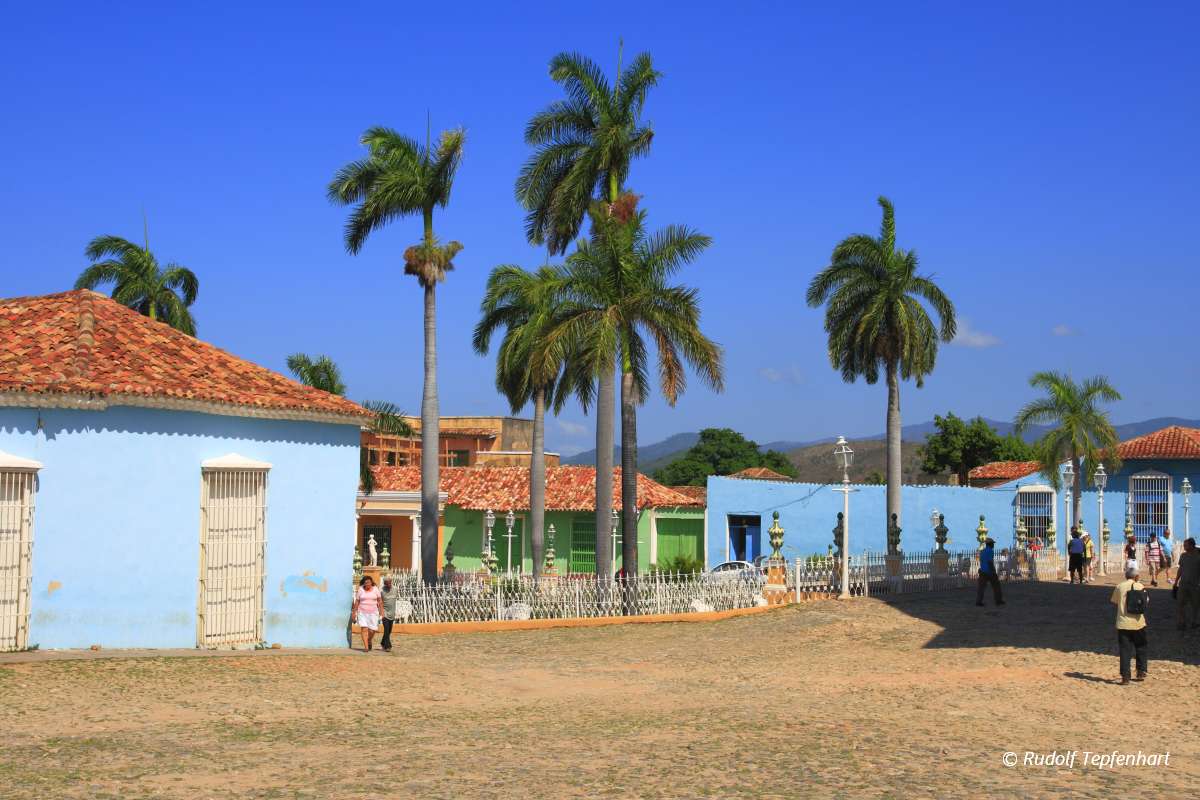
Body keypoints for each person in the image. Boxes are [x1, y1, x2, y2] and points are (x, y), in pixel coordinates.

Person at [1111, 565, 1148, 685]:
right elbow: (1146, 601)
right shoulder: (1140, 586)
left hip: (1123, 623)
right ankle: (1141, 671)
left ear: (1126, 576)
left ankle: (1125, 677)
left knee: (1125, 650)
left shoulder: (1119, 586)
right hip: (1138, 623)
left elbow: (1115, 601)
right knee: (1141, 647)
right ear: (1136, 576)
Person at [352, 575, 383, 652]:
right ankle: (366, 647)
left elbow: (379, 601)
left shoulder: (375, 589)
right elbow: (357, 602)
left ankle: (369, 640)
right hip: (362, 612)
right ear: (364, 583)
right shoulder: (360, 590)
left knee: (372, 630)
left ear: (371, 582)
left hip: (373, 613)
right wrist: (354, 612)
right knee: (364, 628)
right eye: (366, 583)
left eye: (369, 582)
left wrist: (381, 611)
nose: (367, 584)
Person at [1175, 537, 1200, 631]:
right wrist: (1176, 581)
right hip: (1183, 584)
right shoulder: (1183, 556)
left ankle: (1194, 621)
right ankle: (1182, 622)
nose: (1184, 546)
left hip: (1195, 584)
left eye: (1186, 545)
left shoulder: (1198, 555)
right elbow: (1180, 569)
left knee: (1195, 604)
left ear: (1191, 545)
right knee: (1180, 603)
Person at [976, 537, 1005, 607]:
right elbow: (990, 562)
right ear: (990, 544)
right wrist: (993, 571)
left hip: (983, 571)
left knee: (981, 588)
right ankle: (998, 600)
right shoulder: (990, 551)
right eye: (992, 544)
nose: (993, 545)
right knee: (996, 586)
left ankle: (978, 601)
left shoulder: (982, 551)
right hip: (989, 571)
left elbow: (982, 561)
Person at [380, 576, 397, 652]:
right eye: (387, 583)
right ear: (384, 583)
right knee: (386, 630)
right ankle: (388, 646)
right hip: (385, 613)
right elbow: (379, 602)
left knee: (389, 631)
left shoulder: (395, 589)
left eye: (390, 583)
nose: (389, 585)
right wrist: (381, 612)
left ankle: (383, 642)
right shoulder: (382, 591)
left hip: (392, 613)